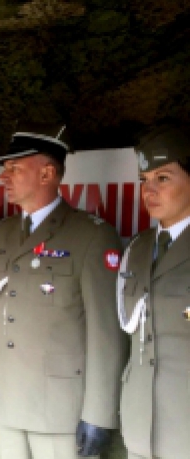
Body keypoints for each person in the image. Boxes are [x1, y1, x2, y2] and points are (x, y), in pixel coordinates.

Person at [0, 124, 127, 458]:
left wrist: (100, 412)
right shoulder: (2, 232)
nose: (4, 176)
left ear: (47, 174)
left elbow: (106, 333)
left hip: (61, 409)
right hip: (10, 398)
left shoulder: (91, 235)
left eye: (15, 168)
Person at [117, 124, 190, 459]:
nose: (149, 190)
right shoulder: (138, 247)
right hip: (140, 425)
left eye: (163, 178)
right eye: (143, 180)